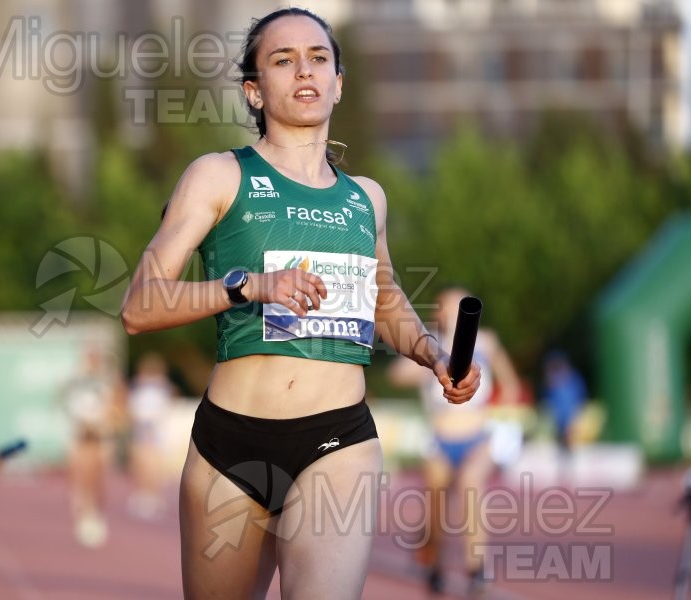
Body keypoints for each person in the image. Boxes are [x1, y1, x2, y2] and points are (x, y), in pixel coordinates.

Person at [120, 8, 481, 598]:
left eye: (318, 59)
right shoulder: (218, 176)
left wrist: (432, 352)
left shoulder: (367, 198)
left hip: (338, 441)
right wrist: (251, 285)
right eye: (283, 61)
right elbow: (140, 306)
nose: (304, 72)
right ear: (254, 91)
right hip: (227, 446)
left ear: (340, 82)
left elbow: (384, 297)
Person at [387, 286, 520, 597]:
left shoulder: (486, 341)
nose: (450, 313)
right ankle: (433, 559)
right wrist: (428, 368)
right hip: (440, 441)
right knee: (436, 503)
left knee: (471, 486)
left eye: (456, 306)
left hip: (477, 438)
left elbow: (510, 383)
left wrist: (502, 412)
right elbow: (396, 374)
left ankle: (477, 569)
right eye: (445, 307)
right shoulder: (429, 345)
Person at [59, 344, 124, 548]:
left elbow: (118, 404)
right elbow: (65, 402)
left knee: (98, 474)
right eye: (89, 357)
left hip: (101, 433)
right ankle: (83, 514)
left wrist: (107, 422)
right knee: (80, 473)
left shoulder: (108, 380)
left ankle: (96, 513)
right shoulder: (75, 380)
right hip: (80, 432)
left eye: (95, 357)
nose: (92, 361)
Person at [125, 352, 175, 520]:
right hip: (141, 428)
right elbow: (132, 408)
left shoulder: (162, 387)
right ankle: (142, 493)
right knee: (140, 462)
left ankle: (153, 494)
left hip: (155, 429)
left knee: (152, 463)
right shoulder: (137, 387)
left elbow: (164, 407)